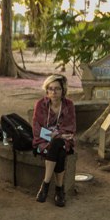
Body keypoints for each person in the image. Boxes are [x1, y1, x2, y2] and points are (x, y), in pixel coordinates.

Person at [31, 74, 76, 206]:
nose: (53, 92)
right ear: (47, 90)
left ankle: (45, 185)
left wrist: (55, 136)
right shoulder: (40, 104)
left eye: (57, 89)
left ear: (63, 91)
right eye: (50, 88)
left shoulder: (69, 105)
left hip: (63, 141)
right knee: (59, 151)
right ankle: (59, 190)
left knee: (58, 144)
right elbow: (37, 129)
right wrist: (55, 135)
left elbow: (70, 128)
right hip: (43, 141)